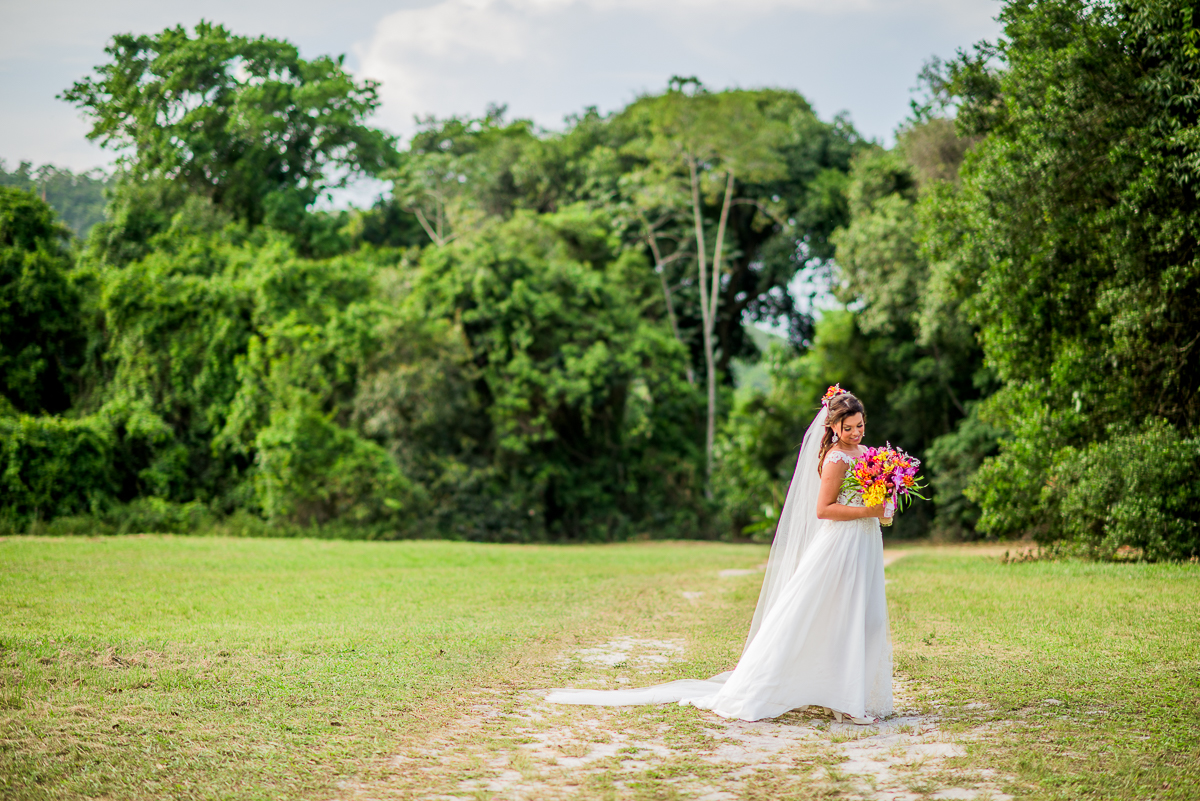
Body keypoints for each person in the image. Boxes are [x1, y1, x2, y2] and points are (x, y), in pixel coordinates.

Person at [546, 386, 893, 724]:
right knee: (837, 616)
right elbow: (824, 510)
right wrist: (870, 511)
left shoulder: (866, 454)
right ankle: (842, 701)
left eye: (860, 425)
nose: (856, 433)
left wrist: (885, 504)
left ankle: (842, 695)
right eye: (848, 427)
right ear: (833, 427)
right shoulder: (835, 458)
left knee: (865, 617)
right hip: (839, 546)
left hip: (864, 542)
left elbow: (870, 499)